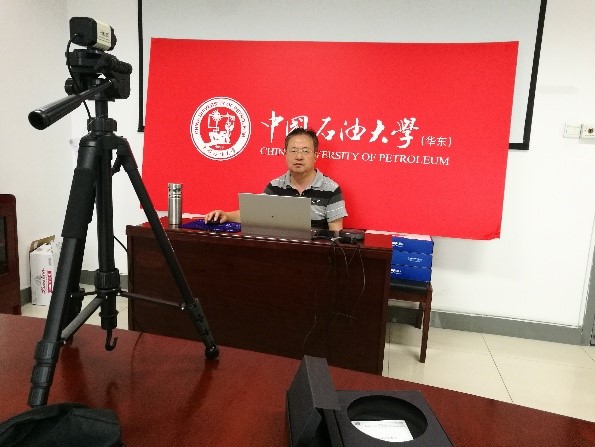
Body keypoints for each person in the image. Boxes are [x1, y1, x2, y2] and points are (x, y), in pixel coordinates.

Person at [204, 127, 347, 230]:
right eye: (293, 150)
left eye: (305, 151)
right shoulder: (275, 187)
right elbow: (255, 215)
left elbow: (336, 234)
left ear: (315, 155)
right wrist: (226, 216)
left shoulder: (331, 189)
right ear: (285, 154)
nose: (299, 156)